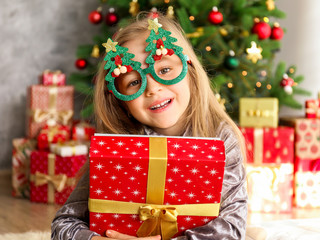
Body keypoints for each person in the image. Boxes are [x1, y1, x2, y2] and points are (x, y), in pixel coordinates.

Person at [52, 13, 247, 240]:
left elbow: (232, 227)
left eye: (164, 70)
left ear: (191, 73)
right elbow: (63, 226)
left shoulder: (221, 138)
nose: (152, 89)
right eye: (134, 82)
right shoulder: (117, 146)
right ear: (121, 101)